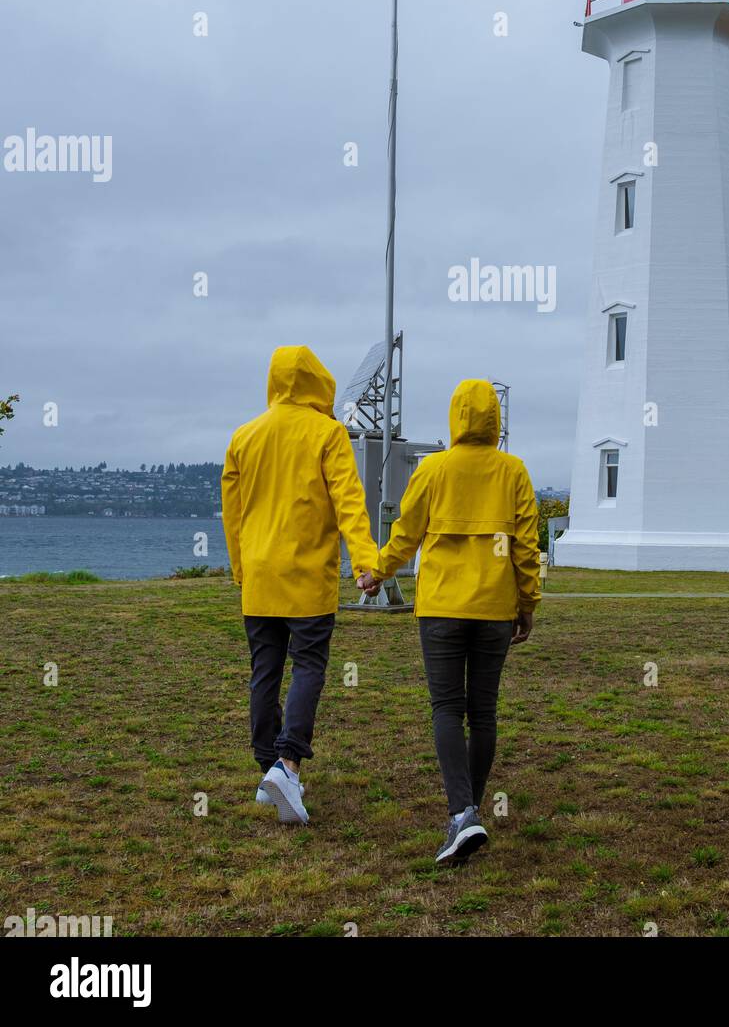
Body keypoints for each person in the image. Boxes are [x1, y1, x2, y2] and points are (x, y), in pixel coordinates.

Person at [356, 379, 541, 865]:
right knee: (483, 711)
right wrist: (528, 602)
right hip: (494, 609)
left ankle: (462, 813)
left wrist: (378, 571)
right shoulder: (513, 471)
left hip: (440, 607)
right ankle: (469, 811)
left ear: (455, 416)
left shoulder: (434, 468)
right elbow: (525, 546)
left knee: (446, 708)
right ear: (494, 420)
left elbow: (407, 532)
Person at [222, 345, 378, 825]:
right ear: (318, 381)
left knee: (264, 672)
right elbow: (348, 501)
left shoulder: (244, 436)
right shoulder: (328, 433)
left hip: (261, 577)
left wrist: (240, 568)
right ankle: (287, 763)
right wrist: (366, 561)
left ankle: (268, 764)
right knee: (308, 665)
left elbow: (232, 513)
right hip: (307, 576)